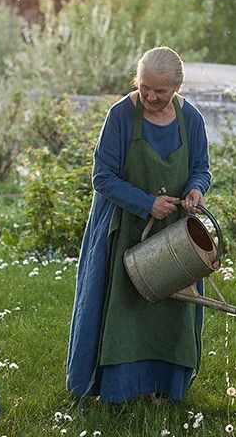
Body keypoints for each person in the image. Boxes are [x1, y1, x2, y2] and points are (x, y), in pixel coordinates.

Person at [67, 46, 211, 403]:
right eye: (144, 86)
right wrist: (146, 203)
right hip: (123, 228)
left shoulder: (191, 119)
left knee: (173, 311)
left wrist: (196, 189)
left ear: (177, 87)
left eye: (159, 90)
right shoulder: (119, 116)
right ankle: (118, 389)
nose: (149, 95)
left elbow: (201, 169)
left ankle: (166, 387)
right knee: (123, 309)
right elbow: (102, 177)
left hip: (176, 233)